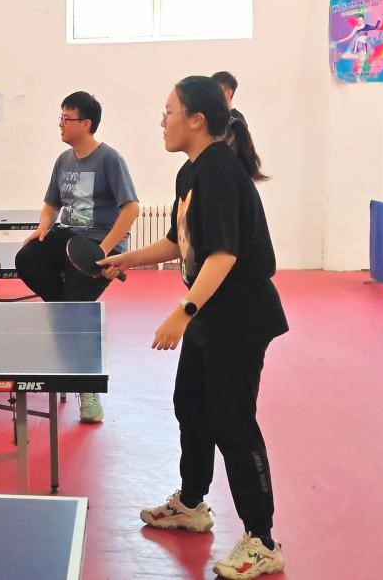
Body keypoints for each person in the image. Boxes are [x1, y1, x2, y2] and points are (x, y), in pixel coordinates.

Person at [99, 76, 288, 580]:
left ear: (196, 119)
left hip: (240, 314)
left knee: (232, 421)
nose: (162, 121)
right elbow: (177, 242)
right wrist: (122, 258)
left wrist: (182, 313)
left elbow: (223, 255)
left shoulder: (220, 171)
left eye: (169, 111)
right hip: (212, 312)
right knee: (191, 406)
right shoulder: (191, 172)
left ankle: (263, 540)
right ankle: (191, 504)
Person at [13, 91, 139, 424]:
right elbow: (51, 205)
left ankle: (87, 387)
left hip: (98, 242)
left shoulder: (110, 159)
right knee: (27, 260)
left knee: (76, 304)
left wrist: (105, 251)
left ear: (86, 123)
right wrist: (42, 229)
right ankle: (66, 317)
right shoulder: (63, 160)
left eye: (66, 119)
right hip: (68, 236)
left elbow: (131, 208)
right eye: (60, 117)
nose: (60, 124)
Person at [212, 72, 267, 181]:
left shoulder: (236, 121)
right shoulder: (215, 119)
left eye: (214, 90)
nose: (211, 95)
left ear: (228, 93)